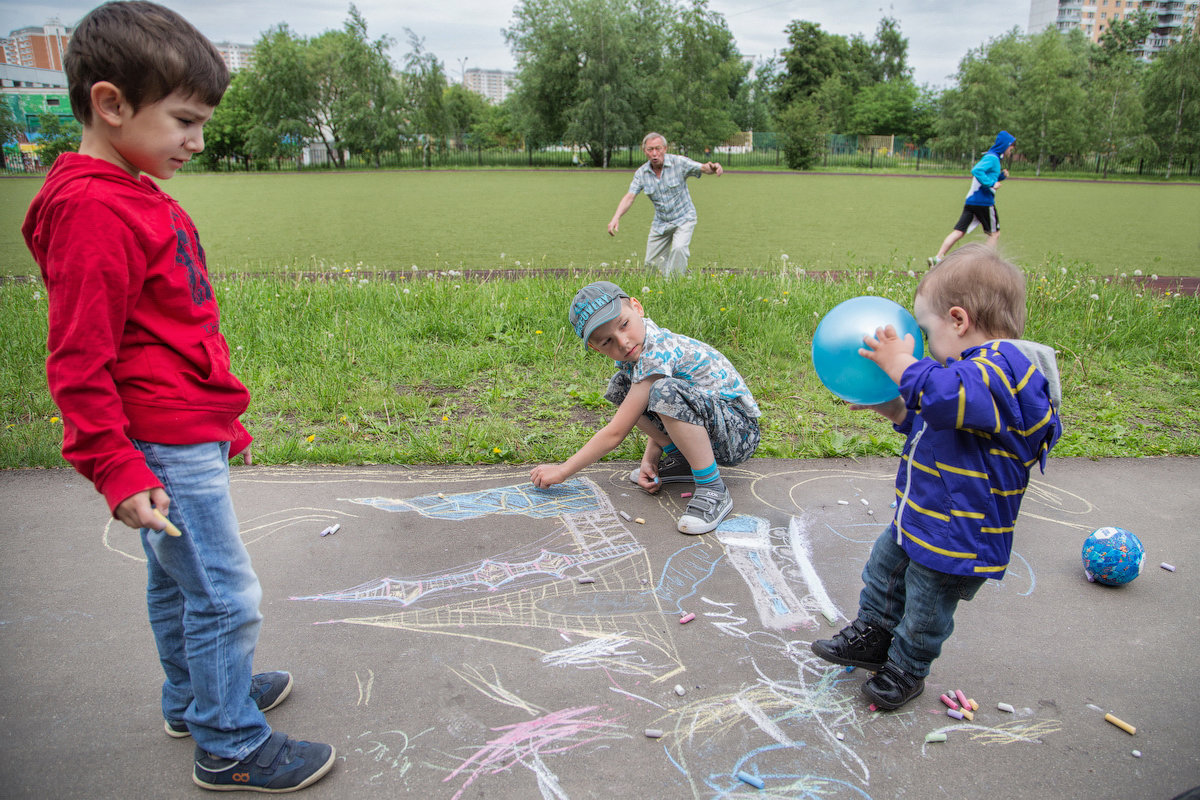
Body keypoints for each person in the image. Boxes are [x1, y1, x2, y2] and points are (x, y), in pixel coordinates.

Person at [21, 2, 335, 792]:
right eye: (185, 121)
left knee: (176, 580)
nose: (198, 140)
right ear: (111, 103)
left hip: (177, 430)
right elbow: (79, 361)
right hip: (157, 443)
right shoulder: (95, 209)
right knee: (227, 594)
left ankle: (195, 696)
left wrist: (211, 420)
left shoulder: (126, 187)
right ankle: (228, 740)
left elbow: (164, 332)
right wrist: (118, 468)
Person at [811, 243, 1062, 710]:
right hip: (922, 514)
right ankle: (875, 635)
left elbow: (943, 396)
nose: (923, 345)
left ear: (959, 320)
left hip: (959, 531)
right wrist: (886, 401)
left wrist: (901, 363)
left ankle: (907, 667)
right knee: (884, 573)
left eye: (926, 331)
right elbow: (927, 416)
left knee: (926, 607)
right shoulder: (964, 375)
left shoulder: (1005, 370)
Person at [531, 281, 761, 534]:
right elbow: (665, 409)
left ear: (637, 307)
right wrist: (651, 459)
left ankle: (713, 489)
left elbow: (617, 431)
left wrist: (563, 470)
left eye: (624, 325)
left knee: (664, 391)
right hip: (714, 427)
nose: (623, 342)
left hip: (739, 433)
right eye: (608, 341)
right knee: (623, 386)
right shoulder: (640, 356)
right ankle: (684, 461)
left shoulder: (657, 351)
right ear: (597, 348)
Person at [607, 132, 722, 278]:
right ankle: (659, 289)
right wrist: (616, 217)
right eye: (650, 150)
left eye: (658, 148)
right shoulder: (642, 173)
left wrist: (713, 167)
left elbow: (702, 167)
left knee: (679, 249)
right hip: (661, 223)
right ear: (644, 151)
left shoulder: (679, 163)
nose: (654, 153)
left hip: (684, 218)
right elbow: (630, 196)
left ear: (665, 148)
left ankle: (675, 286)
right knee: (651, 265)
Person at [927, 131, 1016, 267]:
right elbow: (977, 170)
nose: (1012, 149)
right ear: (1005, 145)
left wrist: (1000, 177)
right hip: (984, 202)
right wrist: (992, 184)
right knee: (994, 234)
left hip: (972, 201)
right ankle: (986, 264)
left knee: (959, 231)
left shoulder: (992, 158)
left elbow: (987, 176)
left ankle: (937, 258)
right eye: (1011, 146)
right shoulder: (993, 158)